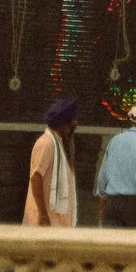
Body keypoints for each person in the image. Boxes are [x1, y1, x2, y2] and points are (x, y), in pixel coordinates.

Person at [94, 99, 136, 230]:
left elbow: (102, 177)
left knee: (110, 248)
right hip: (132, 206)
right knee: (131, 249)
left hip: (111, 203)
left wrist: (101, 209)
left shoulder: (115, 140)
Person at [24, 97, 79, 229]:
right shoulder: (47, 144)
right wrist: (43, 215)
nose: (75, 123)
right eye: (72, 122)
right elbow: (36, 178)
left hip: (58, 225)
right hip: (45, 223)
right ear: (62, 125)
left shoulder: (59, 145)